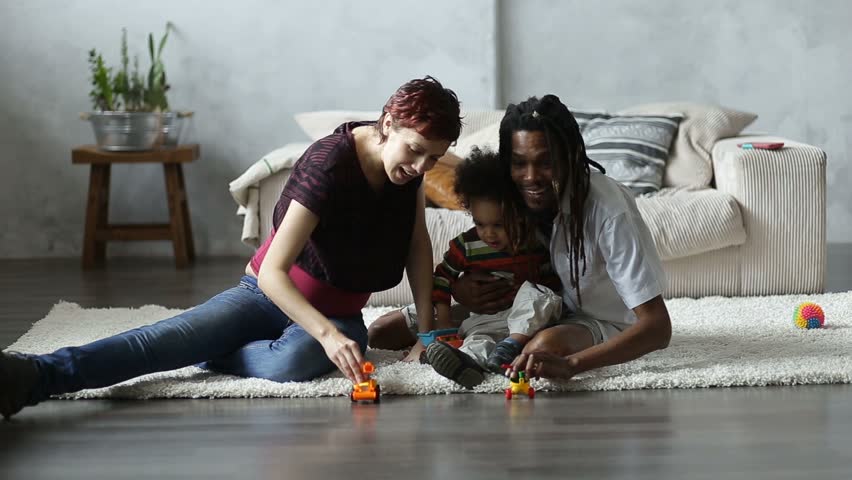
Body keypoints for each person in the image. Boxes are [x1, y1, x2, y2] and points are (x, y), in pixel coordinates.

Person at [0, 76, 463, 420]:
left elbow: (416, 245)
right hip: (266, 294)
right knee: (157, 343)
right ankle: (33, 376)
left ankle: (214, 351)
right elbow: (273, 272)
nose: (421, 166)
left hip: (339, 312)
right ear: (388, 124)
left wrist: (426, 335)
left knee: (296, 361)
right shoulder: (328, 164)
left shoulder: (411, 172)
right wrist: (326, 335)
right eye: (415, 150)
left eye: (433, 157)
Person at [369, 94, 672, 383]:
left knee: (542, 349)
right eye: (519, 163)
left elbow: (658, 328)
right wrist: (461, 289)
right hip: (518, 306)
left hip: (595, 320)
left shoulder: (608, 210)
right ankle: (475, 349)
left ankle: (480, 358)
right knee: (383, 332)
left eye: (546, 162)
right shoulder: (513, 193)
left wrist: (572, 366)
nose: (531, 177)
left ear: (570, 156)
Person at [418, 148, 563, 388]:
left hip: (530, 322)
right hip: (487, 319)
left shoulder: (537, 242)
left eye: (498, 225)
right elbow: (442, 277)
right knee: (477, 340)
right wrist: (443, 320)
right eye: (480, 224)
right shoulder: (467, 245)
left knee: (538, 295)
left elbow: (555, 287)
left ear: (521, 214)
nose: (488, 234)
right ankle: (467, 363)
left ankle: (511, 345)